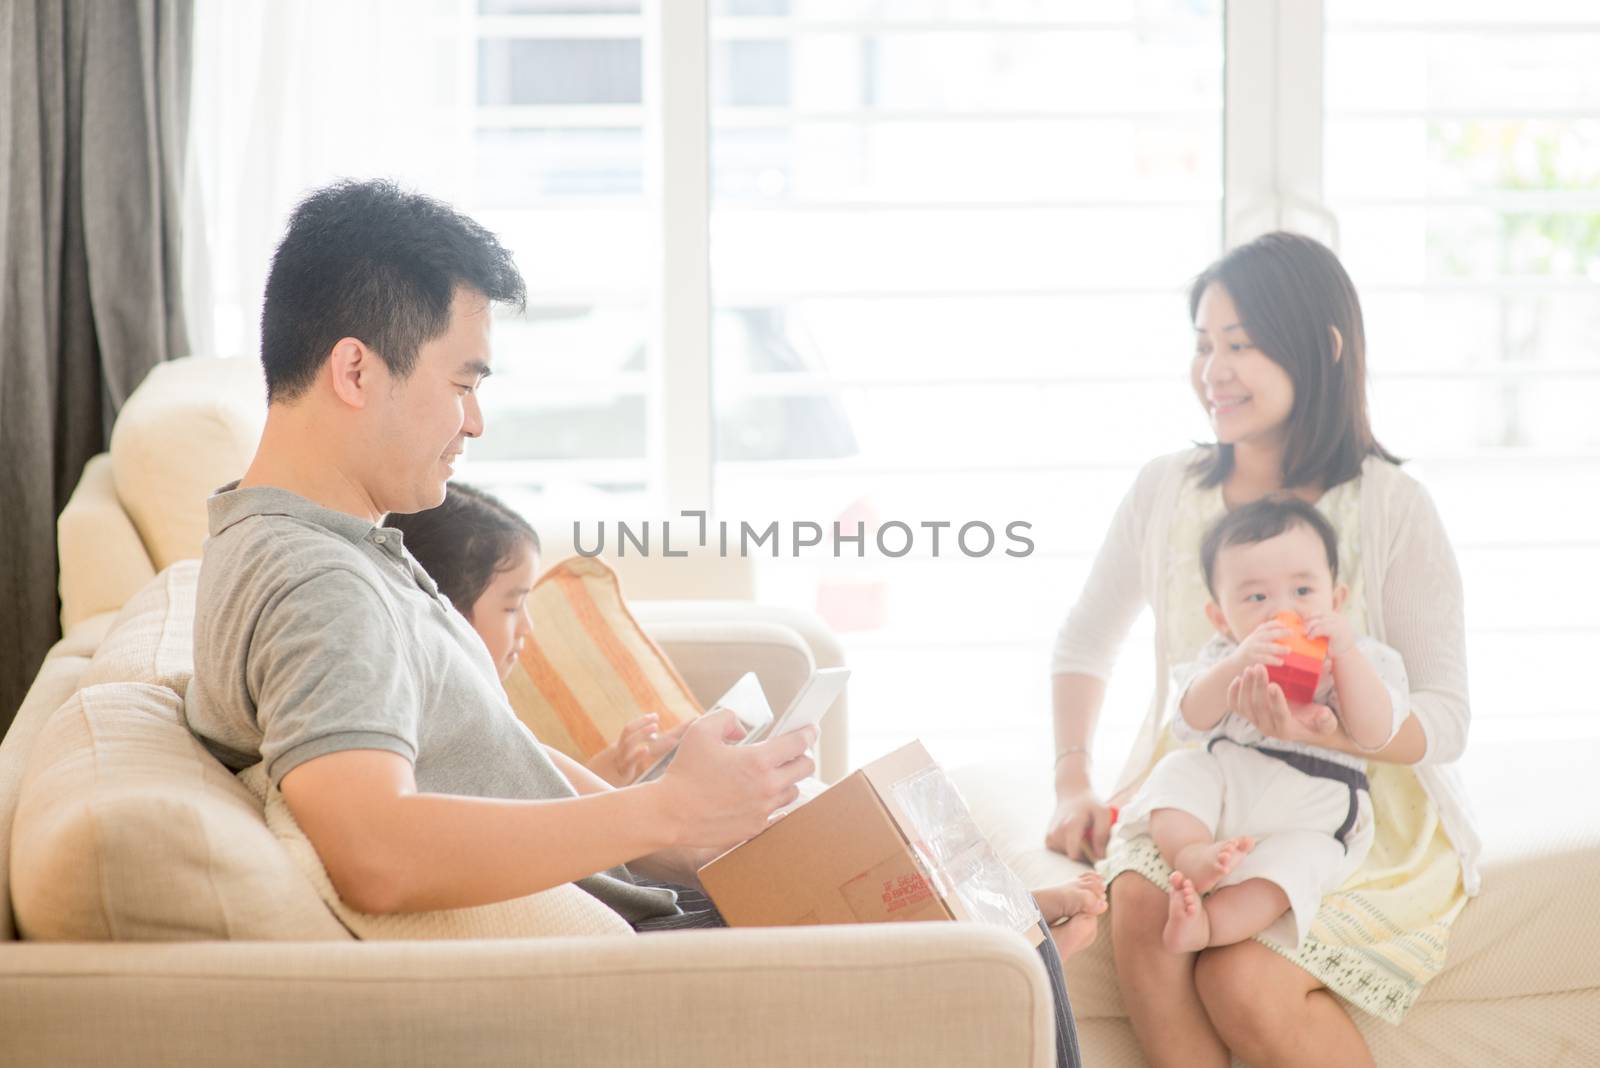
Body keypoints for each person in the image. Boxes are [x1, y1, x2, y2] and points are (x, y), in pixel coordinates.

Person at [179, 179, 1090, 1066]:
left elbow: (507, 768)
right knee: (1014, 962)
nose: (476, 421)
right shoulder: (318, 583)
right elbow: (375, 851)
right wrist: (666, 804)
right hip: (636, 968)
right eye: (462, 382)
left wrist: (693, 823)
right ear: (353, 369)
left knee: (996, 922)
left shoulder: (330, 543)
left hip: (647, 916)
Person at [1045, 231, 1480, 1068]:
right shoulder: (1167, 489)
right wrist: (1073, 783)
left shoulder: (1392, 507)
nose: (1214, 369)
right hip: (1211, 782)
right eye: (1204, 344)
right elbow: (1086, 637)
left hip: (1353, 807)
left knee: (1242, 977)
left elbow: (1448, 717)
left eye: (1240, 345)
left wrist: (1339, 733)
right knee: (1143, 902)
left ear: (1321, 349)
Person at [1118, 496, 1409, 956]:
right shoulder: (1224, 654)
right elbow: (1189, 721)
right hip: (1232, 778)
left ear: (1336, 599)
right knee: (1178, 770)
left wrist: (1345, 656)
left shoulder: (1365, 657)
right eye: (1256, 597)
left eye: (1302, 592)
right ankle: (1192, 854)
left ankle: (1208, 925)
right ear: (1221, 618)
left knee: (1300, 865)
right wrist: (1238, 661)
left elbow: (1376, 732)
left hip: (1317, 802)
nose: (1280, 612)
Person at [385, 482, 689, 786]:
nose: (527, 626)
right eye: (512, 607)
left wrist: (612, 771)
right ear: (448, 613)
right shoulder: (476, 730)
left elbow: (551, 806)